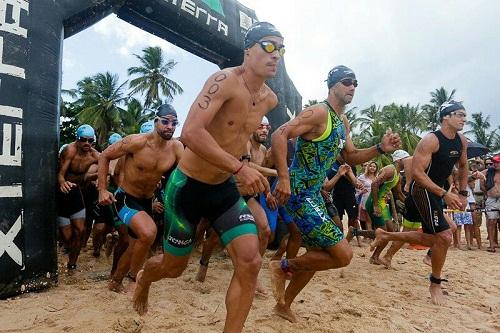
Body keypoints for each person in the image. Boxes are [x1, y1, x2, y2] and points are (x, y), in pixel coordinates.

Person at [132, 22, 284, 333]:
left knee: (251, 262)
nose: (276, 55)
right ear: (248, 50)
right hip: (186, 188)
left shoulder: (270, 100)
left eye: (280, 49)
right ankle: (145, 278)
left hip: (223, 190)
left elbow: (283, 135)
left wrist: (283, 174)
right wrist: (240, 167)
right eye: (268, 46)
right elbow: (191, 132)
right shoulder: (224, 80)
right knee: (173, 268)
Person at [270, 65, 401, 322]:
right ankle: (281, 266)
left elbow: (350, 156)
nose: (353, 86)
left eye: (355, 82)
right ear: (332, 86)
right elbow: (279, 133)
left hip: (314, 194)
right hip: (298, 191)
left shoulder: (341, 122)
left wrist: (379, 148)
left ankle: (282, 305)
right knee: (343, 254)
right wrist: (283, 178)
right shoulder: (318, 112)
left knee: (321, 253)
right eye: (347, 81)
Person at [371, 100, 468, 305]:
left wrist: (463, 192)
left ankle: (386, 234)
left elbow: (464, 165)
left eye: (464, 114)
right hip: (423, 190)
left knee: (445, 230)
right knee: (443, 235)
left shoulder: (461, 141)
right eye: (459, 114)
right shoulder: (430, 140)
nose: (464, 118)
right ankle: (435, 283)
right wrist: (443, 194)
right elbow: (417, 173)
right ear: (446, 117)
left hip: (437, 192)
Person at [98, 104, 184, 292]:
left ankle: (115, 282)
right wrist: (102, 190)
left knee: (135, 245)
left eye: (174, 123)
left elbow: (187, 173)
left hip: (147, 201)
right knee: (148, 233)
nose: (170, 126)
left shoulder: (176, 148)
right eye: (165, 121)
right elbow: (104, 156)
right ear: (155, 122)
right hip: (126, 198)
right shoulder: (137, 142)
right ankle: (134, 279)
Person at [57, 124, 99, 271]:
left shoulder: (95, 155)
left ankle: (72, 264)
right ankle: (65, 248)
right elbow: (60, 173)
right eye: (83, 140)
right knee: (67, 237)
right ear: (77, 139)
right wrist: (62, 182)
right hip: (63, 193)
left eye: (90, 140)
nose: (87, 143)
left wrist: (100, 178)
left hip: (77, 194)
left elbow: (110, 165)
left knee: (79, 231)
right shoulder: (70, 150)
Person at [476, 153, 500, 252]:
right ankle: (491, 245)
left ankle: (494, 243)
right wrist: (488, 192)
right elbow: (480, 179)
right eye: (494, 162)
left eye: (497, 162)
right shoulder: (488, 172)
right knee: (491, 221)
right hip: (491, 198)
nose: (495, 164)